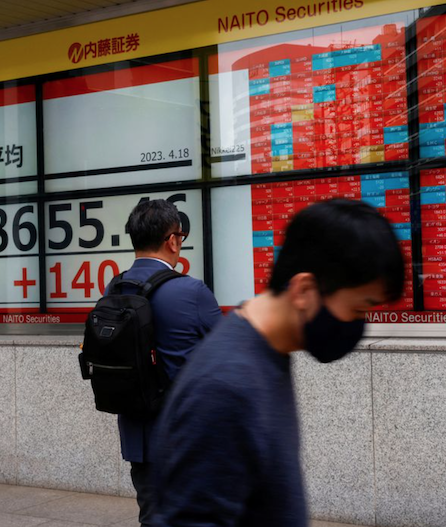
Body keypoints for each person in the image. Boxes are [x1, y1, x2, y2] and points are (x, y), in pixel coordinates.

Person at [151, 198, 405, 527]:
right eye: (359, 309)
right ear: (304, 290)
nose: (360, 324)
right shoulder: (225, 388)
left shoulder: (267, 351)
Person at [116, 199, 222, 526]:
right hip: (187, 438)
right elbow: (226, 355)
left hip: (138, 436)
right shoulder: (192, 292)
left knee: (152, 516)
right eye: (181, 237)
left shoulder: (113, 288)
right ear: (172, 240)